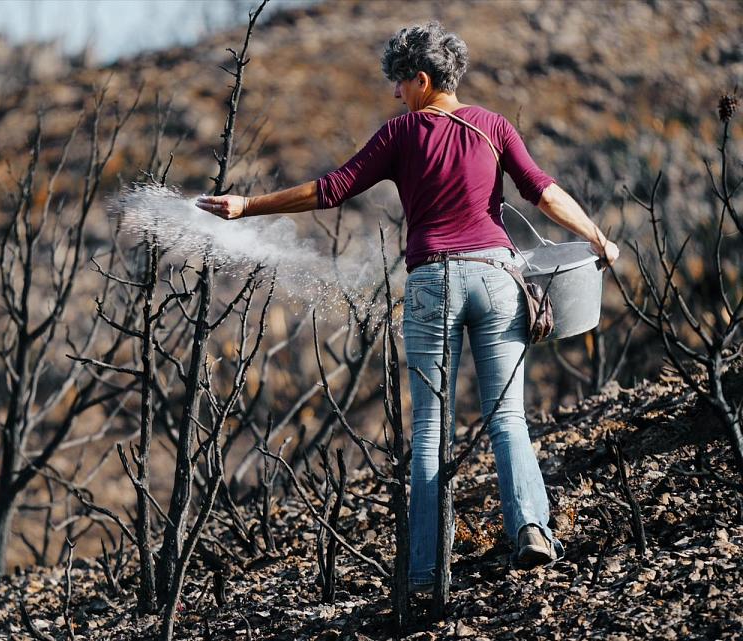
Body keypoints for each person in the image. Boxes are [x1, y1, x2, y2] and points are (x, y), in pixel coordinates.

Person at [195, 21, 619, 595]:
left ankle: (423, 570)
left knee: (428, 433)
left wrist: (248, 206)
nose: (395, 93)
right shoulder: (493, 126)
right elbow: (542, 192)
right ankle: (533, 531)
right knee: (508, 418)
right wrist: (597, 238)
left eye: (399, 82)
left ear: (422, 79)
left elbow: (332, 189)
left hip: (432, 285)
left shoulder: (400, 134)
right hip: (498, 280)